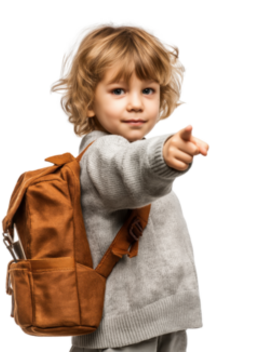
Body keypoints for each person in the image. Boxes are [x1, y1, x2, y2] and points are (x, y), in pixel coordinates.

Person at [48, 18, 205, 351]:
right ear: (88, 100)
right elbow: (128, 170)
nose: (136, 103)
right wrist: (163, 156)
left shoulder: (128, 147)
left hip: (162, 316)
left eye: (147, 90)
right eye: (118, 91)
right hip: (123, 329)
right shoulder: (99, 154)